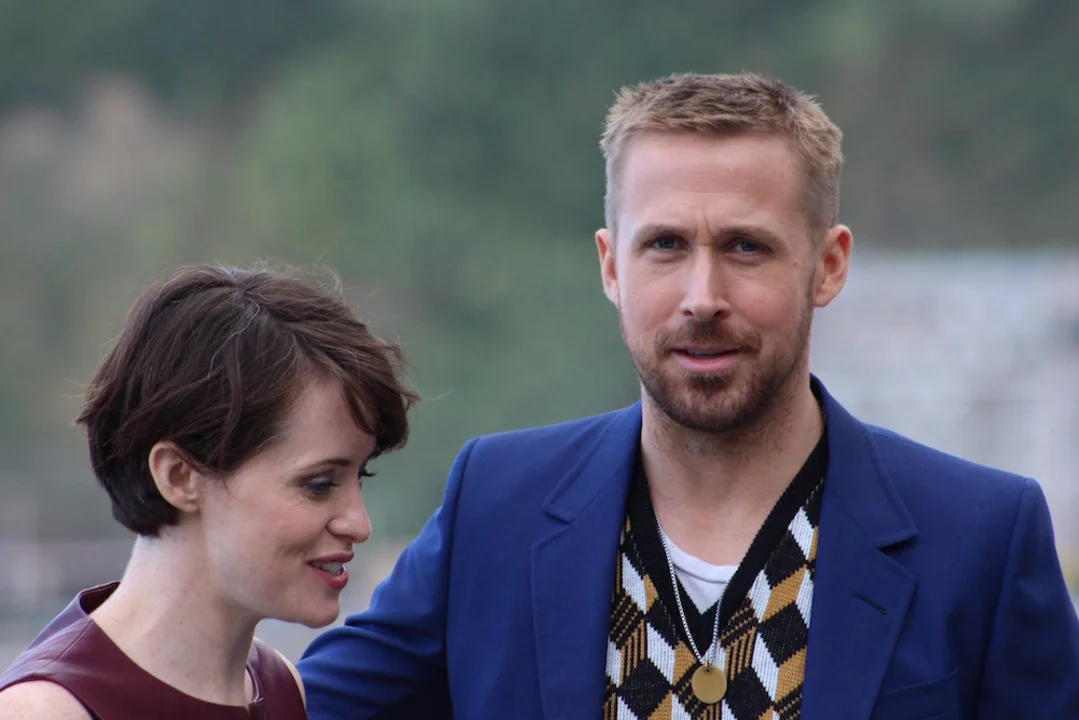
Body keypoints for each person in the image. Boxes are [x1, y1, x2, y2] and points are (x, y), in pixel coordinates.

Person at [296, 72, 1079, 719]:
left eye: (745, 247)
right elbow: (289, 709)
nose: (702, 297)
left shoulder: (979, 538)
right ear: (610, 266)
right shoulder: (496, 506)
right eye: (665, 245)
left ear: (828, 265)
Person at [0, 263, 417, 719]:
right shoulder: (47, 710)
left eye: (360, 477)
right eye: (319, 484)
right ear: (179, 475)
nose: (359, 523)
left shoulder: (280, 685)